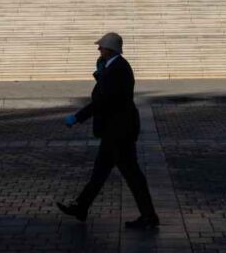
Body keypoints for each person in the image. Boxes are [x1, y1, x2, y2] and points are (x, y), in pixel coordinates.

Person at [57, 32, 159, 230]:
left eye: (101, 46)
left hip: (120, 131)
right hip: (115, 131)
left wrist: (77, 117)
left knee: (131, 174)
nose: (98, 49)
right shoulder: (113, 67)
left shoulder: (118, 69)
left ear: (110, 49)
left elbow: (103, 100)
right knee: (100, 172)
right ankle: (81, 207)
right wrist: (101, 73)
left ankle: (149, 216)